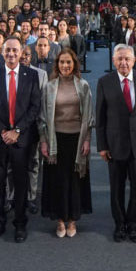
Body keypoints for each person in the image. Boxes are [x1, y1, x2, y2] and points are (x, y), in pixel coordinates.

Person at [0, 37, 42, 244]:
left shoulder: (31, 75)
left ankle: (20, 224)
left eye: (15, 50)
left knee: (20, 183)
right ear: (2, 51)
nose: (11, 54)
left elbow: (34, 107)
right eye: (7, 50)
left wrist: (17, 130)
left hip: (21, 139)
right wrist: (3, 131)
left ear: (21, 52)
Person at [97, 44, 136, 243]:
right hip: (115, 145)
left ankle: (133, 224)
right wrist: (102, 146)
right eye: (120, 59)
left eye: (127, 59)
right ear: (114, 61)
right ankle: (119, 224)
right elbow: (100, 118)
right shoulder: (104, 82)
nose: (123, 62)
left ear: (134, 61)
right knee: (116, 189)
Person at [39, 49, 94, 238]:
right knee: (58, 181)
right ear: (57, 64)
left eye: (68, 62)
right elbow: (42, 117)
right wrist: (44, 141)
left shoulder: (83, 85)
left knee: (75, 181)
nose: (65, 65)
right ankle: (60, 220)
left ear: (74, 64)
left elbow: (89, 117)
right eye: (62, 62)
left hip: (77, 139)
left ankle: (72, 220)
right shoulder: (49, 87)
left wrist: (87, 140)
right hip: (55, 140)